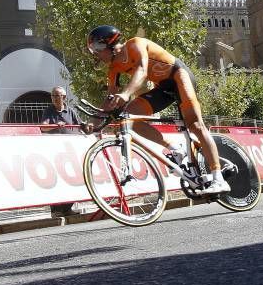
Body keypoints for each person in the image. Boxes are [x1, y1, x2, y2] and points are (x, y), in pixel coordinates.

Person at [86, 25, 230, 195]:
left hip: (179, 76)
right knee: (130, 118)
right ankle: (174, 148)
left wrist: (125, 94)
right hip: (163, 88)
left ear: (109, 44)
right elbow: (109, 98)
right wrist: (93, 122)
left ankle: (218, 179)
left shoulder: (135, 44)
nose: (95, 54)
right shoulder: (113, 69)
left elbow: (141, 69)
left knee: (196, 126)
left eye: (96, 48)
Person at [41, 86, 79, 218]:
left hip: (70, 152)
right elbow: (43, 127)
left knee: (72, 179)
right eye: (53, 96)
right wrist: (56, 125)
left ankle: (67, 208)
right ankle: (56, 210)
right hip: (55, 152)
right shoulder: (48, 111)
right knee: (56, 180)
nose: (55, 98)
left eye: (57, 95)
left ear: (64, 97)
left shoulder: (71, 111)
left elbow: (78, 127)